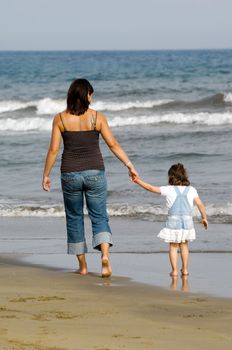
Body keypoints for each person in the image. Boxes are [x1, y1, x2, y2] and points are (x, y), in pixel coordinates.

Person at [42, 78, 138, 278]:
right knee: (99, 216)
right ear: (86, 96)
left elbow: (53, 150)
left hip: (70, 174)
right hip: (95, 172)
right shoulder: (97, 117)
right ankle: (105, 257)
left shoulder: (59, 119)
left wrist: (46, 174)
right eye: (91, 94)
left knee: (74, 218)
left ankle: (83, 266)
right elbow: (113, 144)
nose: (92, 98)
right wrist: (129, 165)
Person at [133, 163, 208, 277]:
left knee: (173, 246)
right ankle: (186, 269)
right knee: (184, 245)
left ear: (170, 177)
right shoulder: (191, 190)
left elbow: (150, 188)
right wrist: (204, 218)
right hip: (187, 222)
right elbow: (200, 205)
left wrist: (137, 181)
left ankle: (174, 271)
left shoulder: (168, 189)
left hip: (173, 222)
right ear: (185, 175)